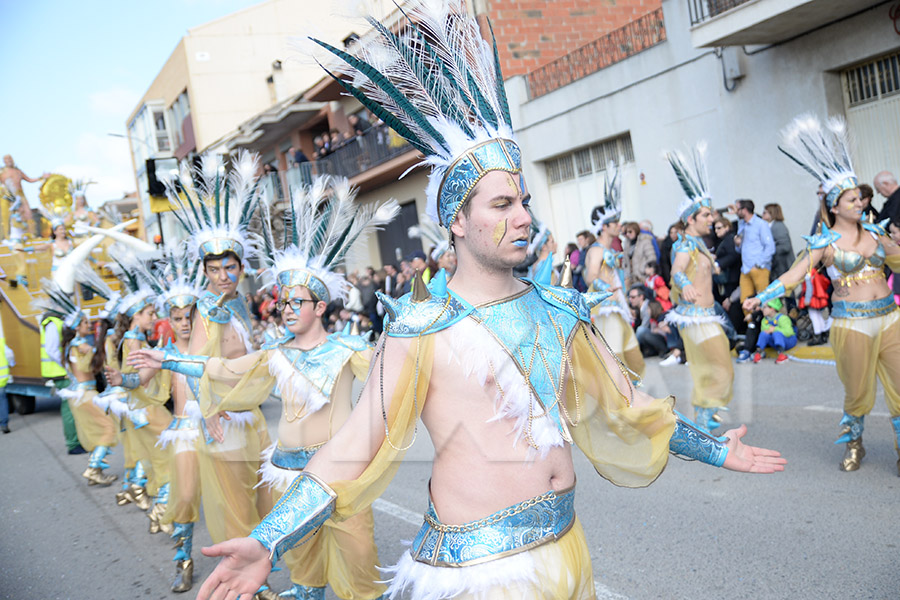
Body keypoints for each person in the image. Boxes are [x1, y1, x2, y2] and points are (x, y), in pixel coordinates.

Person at [195, 6, 785, 598]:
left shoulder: (561, 309)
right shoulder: (422, 327)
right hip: (476, 576)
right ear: (456, 220)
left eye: (523, 201)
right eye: (501, 205)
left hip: (565, 547)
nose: (524, 217)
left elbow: (631, 404)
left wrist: (715, 450)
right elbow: (354, 443)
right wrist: (269, 537)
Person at [132, 177, 395, 600]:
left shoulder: (348, 348)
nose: (286, 309)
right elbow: (220, 367)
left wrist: (411, 335)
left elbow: (395, 372)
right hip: (288, 477)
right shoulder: (274, 352)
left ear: (321, 307)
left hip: (340, 474)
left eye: (297, 303)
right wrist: (167, 358)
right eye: (283, 302)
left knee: (360, 566)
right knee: (304, 573)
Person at [746, 114, 900, 474]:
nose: (859, 203)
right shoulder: (824, 243)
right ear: (833, 205)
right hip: (852, 324)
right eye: (850, 200)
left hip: (890, 317)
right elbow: (793, 276)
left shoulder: (877, 233)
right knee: (857, 390)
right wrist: (762, 297)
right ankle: (855, 442)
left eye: (859, 198)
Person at [162, 151, 280, 600]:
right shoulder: (207, 310)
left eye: (230, 268)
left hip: (249, 419)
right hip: (224, 421)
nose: (223, 276)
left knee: (256, 501)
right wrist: (208, 411)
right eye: (214, 270)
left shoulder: (238, 306)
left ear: (240, 268)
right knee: (232, 509)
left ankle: (255, 582)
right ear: (204, 272)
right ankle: (238, 587)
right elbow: (195, 364)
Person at [664, 142, 734, 432]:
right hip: (696, 315)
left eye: (712, 215)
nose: (712, 219)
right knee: (719, 367)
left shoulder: (700, 245)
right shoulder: (684, 244)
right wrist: (685, 286)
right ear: (690, 219)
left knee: (712, 368)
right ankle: (704, 419)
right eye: (706, 216)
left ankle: (703, 420)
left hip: (707, 313)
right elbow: (678, 270)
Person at [36, 281, 118, 485]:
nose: (88, 325)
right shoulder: (80, 346)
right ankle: (93, 468)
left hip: (80, 394)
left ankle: (95, 470)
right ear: (76, 327)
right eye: (84, 323)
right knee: (109, 429)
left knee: (101, 431)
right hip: (86, 394)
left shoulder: (71, 346)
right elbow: (90, 366)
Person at [585, 164, 645, 379]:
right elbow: (590, 276)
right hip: (606, 309)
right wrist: (606, 289)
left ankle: (630, 395)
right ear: (604, 226)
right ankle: (620, 402)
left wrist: (624, 300)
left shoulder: (611, 249)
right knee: (615, 356)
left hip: (617, 307)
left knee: (632, 354)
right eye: (614, 222)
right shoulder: (596, 250)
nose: (618, 225)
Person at [733, 199, 775, 315]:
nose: (736, 212)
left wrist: (759, 264)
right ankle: (751, 328)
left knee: (764, 301)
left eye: (738, 209)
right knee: (745, 301)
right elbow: (742, 248)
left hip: (759, 268)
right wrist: (738, 245)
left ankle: (765, 328)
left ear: (745, 210)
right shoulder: (742, 225)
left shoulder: (761, 224)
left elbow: (770, 247)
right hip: (745, 268)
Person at [0, 154, 42, 237]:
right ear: (4, 161)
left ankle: (31, 234)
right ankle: (7, 235)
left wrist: (41, 178)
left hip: (20, 195)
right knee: (7, 216)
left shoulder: (18, 171)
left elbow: (30, 179)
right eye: (6, 159)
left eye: (10, 159)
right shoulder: (2, 172)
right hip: (7, 197)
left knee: (28, 214)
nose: (9, 161)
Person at [753, 298, 796, 364]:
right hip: (776, 342)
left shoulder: (783, 318)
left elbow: (789, 332)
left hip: (788, 340)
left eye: (764, 307)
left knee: (777, 333)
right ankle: (759, 352)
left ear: (772, 308)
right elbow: (765, 331)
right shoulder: (764, 320)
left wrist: (774, 329)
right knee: (763, 334)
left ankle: (782, 354)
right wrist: (769, 330)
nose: (762, 309)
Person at [763, 203, 794, 280]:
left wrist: (769, 251)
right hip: (778, 266)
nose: (762, 214)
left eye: (764, 212)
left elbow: (785, 246)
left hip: (782, 266)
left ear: (772, 213)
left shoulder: (778, 226)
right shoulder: (771, 226)